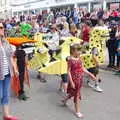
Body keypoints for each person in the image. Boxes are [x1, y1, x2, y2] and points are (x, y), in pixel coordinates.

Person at [61, 44, 97, 118]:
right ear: (73, 51)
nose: (80, 52)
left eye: (80, 50)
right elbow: (68, 72)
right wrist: (71, 82)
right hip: (74, 80)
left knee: (73, 92)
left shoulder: (80, 59)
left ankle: (64, 100)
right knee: (77, 95)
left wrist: (91, 74)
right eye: (78, 50)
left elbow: (83, 68)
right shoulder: (70, 60)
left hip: (80, 79)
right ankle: (77, 111)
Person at [0, 23, 18, 120]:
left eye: (3, 27)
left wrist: (15, 69)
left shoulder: (6, 41)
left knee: (6, 94)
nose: (2, 29)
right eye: (0, 27)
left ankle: (6, 115)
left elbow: (11, 56)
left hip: (7, 72)